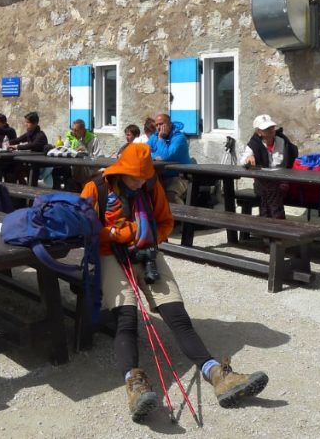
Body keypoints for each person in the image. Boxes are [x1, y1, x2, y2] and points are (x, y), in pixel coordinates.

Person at [80, 143, 268, 422]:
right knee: (127, 316)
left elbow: (165, 222)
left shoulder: (149, 186)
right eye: (134, 177)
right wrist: (116, 235)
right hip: (109, 254)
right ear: (121, 171)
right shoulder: (97, 188)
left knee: (176, 313)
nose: (139, 182)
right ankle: (135, 383)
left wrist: (147, 240)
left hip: (145, 251)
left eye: (144, 176)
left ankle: (216, 372)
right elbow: (83, 228)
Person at [240, 114, 299, 219]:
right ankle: (277, 223)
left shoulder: (283, 141)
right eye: (266, 128)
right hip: (262, 182)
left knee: (272, 190)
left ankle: (266, 222)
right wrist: (249, 157)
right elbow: (243, 160)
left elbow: (293, 158)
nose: (271, 130)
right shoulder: (254, 144)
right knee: (270, 189)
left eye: (272, 127)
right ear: (259, 132)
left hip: (282, 181)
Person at [147, 113, 193, 204]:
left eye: (161, 124)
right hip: (160, 176)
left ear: (170, 124)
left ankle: (179, 217)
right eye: (156, 125)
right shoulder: (154, 137)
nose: (159, 127)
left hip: (179, 177)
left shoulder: (179, 138)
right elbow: (143, 152)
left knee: (170, 195)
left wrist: (161, 138)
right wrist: (155, 157)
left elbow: (165, 156)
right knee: (141, 188)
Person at [55, 119, 104, 191]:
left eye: (76, 130)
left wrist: (86, 152)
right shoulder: (70, 136)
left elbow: (100, 158)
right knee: (56, 171)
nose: (73, 132)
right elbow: (65, 150)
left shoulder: (93, 139)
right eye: (72, 129)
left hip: (86, 170)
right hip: (71, 167)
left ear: (83, 130)